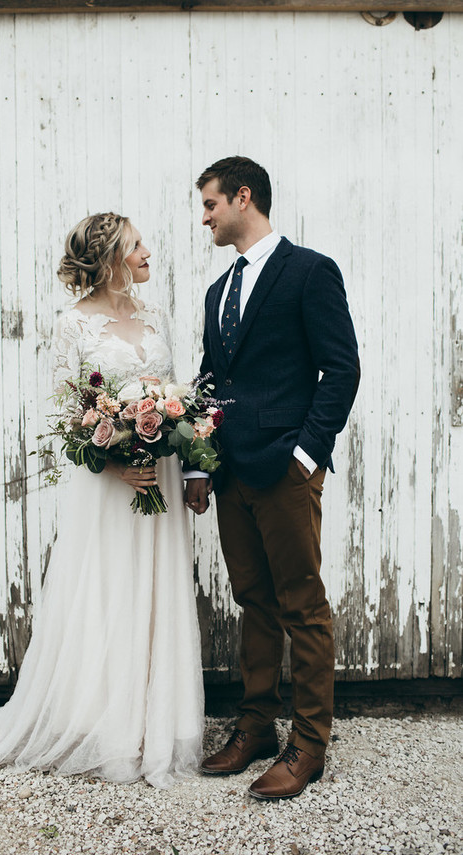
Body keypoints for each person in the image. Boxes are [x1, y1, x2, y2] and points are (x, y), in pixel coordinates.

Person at [0, 212, 204, 789]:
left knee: (156, 589)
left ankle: (156, 726)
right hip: (109, 485)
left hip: (156, 475)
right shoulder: (72, 325)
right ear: (111, 259)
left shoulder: (156, 316)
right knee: (107, 591)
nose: (147, 253)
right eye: (137, 245)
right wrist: (114, 462)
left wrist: (171, 435)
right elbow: (66, 414)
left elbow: (175, 395)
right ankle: (106, 730)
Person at [185, 156, 360, 800]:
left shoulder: (309, 271)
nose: (205, 218)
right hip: (231, 472)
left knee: (302, 605)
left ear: (243, 197)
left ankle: (309, 743)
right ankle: (256, 726)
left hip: (286, 468)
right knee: (253, 601)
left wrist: (307, 454)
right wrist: (200, 463)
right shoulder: (218, 291)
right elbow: (211, 381)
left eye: (210, 204)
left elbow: (341, 369)